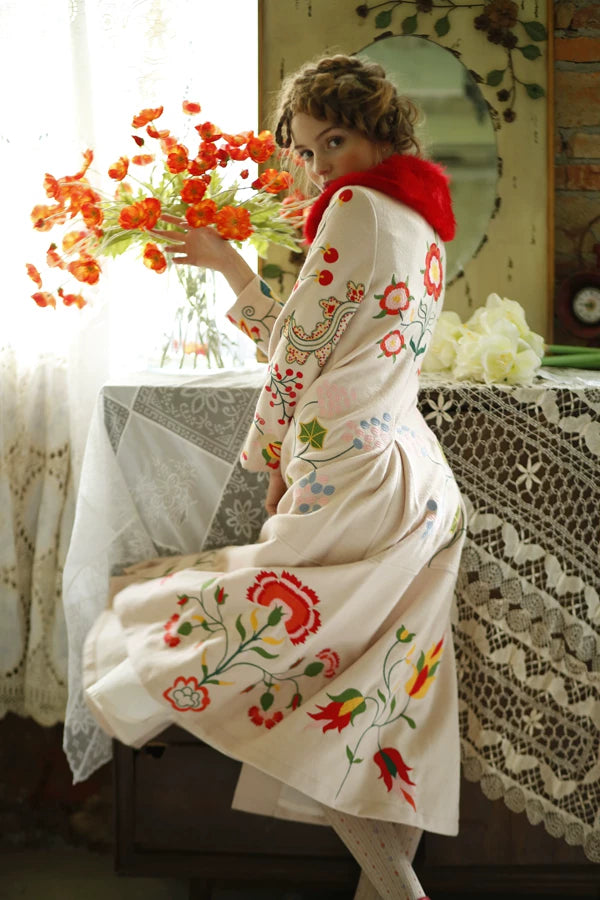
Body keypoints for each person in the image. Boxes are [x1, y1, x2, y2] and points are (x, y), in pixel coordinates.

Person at [83, 54, 465, 900]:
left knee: (301, 691)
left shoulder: (357, 209)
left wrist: (269, 467)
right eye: (308, 148)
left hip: (351, 473)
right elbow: (310, 340)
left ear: (380, 133)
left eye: (336, 141)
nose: (320, 165)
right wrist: (230, 267)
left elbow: (293, 358)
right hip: (413, 476)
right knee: (380, 714)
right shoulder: (421, 222)